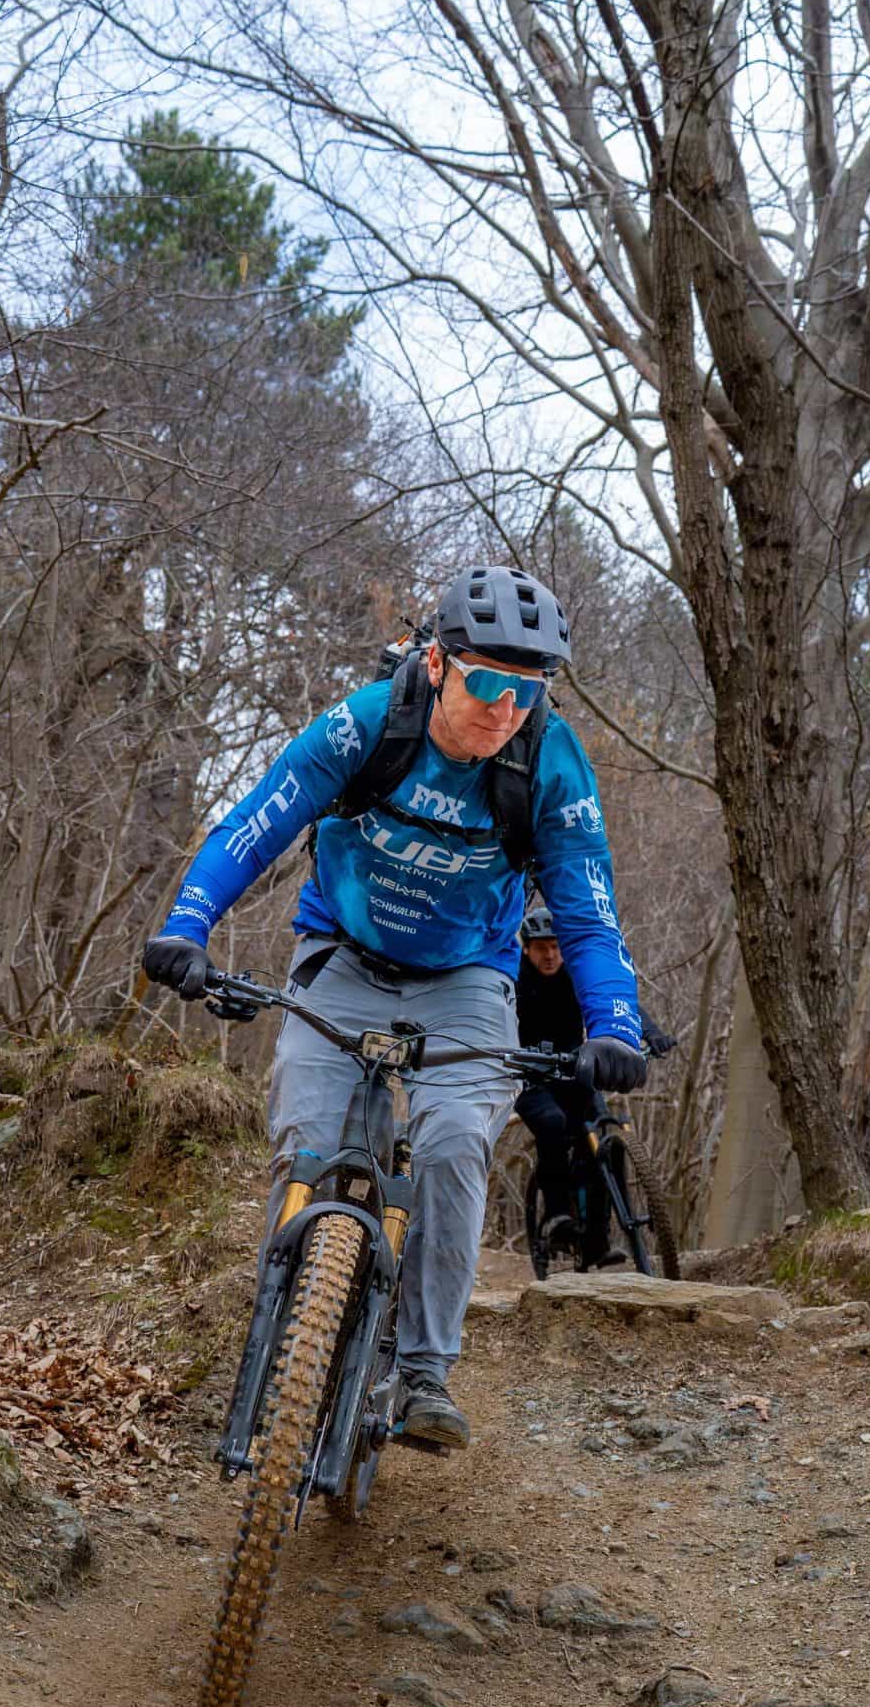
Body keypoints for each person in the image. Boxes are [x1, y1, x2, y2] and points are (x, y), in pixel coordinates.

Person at [142, 563, 645, 1450]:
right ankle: (285, 1337)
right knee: (304, 1135)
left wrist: (613, 1023)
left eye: (526, 694)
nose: (504, 710)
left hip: (467, 980)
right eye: (487, 683)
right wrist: (188, 926)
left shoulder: (550, 763)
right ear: (439, 663)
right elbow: (258, 820)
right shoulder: (369, 722)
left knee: (453, 1146)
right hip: (342, 956)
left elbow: (587, 906)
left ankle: (422, 1372)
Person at [515, 903, 673, 1265]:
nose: (551, 954)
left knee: (606, 1139)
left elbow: (618, 1005)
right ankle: (557, 1215)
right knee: (553, 1125)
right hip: (530, 1078)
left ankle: (597, 1243)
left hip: (574, 1071)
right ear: (527, 949)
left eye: (556, 946)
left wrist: (651, 1034)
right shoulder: (514, 978)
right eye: (542, 947)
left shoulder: (577, 974)